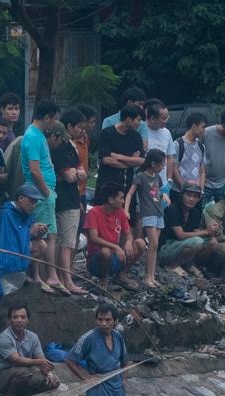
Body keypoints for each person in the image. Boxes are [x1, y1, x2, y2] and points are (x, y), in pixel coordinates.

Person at [0, 184, 46, 303]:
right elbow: (8, 241)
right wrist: (29, 232)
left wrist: (38, 232)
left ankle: (32, 275)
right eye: (31, 201)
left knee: (41, 245)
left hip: (18, 250)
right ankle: (15, 276)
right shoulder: (5, 214)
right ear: (20, 199)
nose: (34, 206)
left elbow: (23, 236)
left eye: (36, 202)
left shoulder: (27, 215)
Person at [18, 101, 60, 285]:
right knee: (44, 236)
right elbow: (34, 170)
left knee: (49, 235)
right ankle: (43, 277)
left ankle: (48, 276)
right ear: (47, 117)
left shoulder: (38, 135)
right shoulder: (33, 136)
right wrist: (46, 193)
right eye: (53, 119)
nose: (53, 123)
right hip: (41, 192)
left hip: (45, 190)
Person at [47, 108, 87, 294]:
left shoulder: (71, 145)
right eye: (79, 127)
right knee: (60, 241)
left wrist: (75, 174)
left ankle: (66, 278)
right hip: (61, 199)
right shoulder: (58, 146)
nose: (82, 131)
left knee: (67, 241)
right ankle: (63, 279)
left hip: (71, 198)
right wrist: (73, 174)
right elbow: (70, 175)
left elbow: (80, 172)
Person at [0, 303, 56, 396]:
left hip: (26, 373)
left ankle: (23, 395)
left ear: (27, 320)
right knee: (24, 373)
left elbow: (41, 358)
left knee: (53, 382)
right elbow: (15, 360)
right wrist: (40, 361)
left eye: (23, 317)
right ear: (10, 320)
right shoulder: (4, 337)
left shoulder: (33, 337)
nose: (19, 320)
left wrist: (49, 373)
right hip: (3, 378)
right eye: (15, 317)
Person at [159, 183, 220, 275]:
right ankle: (172, 265)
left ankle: (188, 263)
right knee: (197, 241)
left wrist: (210, 231)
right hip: (167, 246)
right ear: (182, 195)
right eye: (188, 195)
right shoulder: (173, 209)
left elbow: (195, 231)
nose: (191, 199)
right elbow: (180, 235)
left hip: (183, 244)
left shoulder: (195, 212)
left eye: (195, 196)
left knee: (213, 242)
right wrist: (205, 232)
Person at [84, 183, 138, 281]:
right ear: (111, 200)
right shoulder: (94, 213)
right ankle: (104, 279)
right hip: (97, 260)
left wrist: (129, 242)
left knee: (140, 244)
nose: (123, 201)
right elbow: (93, 238)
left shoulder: (120, 211)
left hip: (116, 256)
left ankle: (122, 274)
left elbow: (128, 233)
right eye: (121, 198)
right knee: (105, 251)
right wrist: (115, 247)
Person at [135, 148, 168, 287]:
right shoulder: (141, 176)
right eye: (162, 164)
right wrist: (126, 210)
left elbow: (156, 193)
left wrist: (163, 195)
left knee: (155, 245)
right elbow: (131, 193)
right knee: (152, 244)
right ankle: (147, 276)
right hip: (148, 212)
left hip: (158, 211)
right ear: (154, 164)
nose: (164, 167)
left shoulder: (157, 178)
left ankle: (152, 276)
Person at [172, 111, 207, 195]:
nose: (204, 130)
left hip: (196, 192)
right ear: (194, 126)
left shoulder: (201, 147)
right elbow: (174, 170)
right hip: (179, 192)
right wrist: (185, 189)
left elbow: (202, 172)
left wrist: (201, 190)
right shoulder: (177, 144)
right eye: (203, 127)